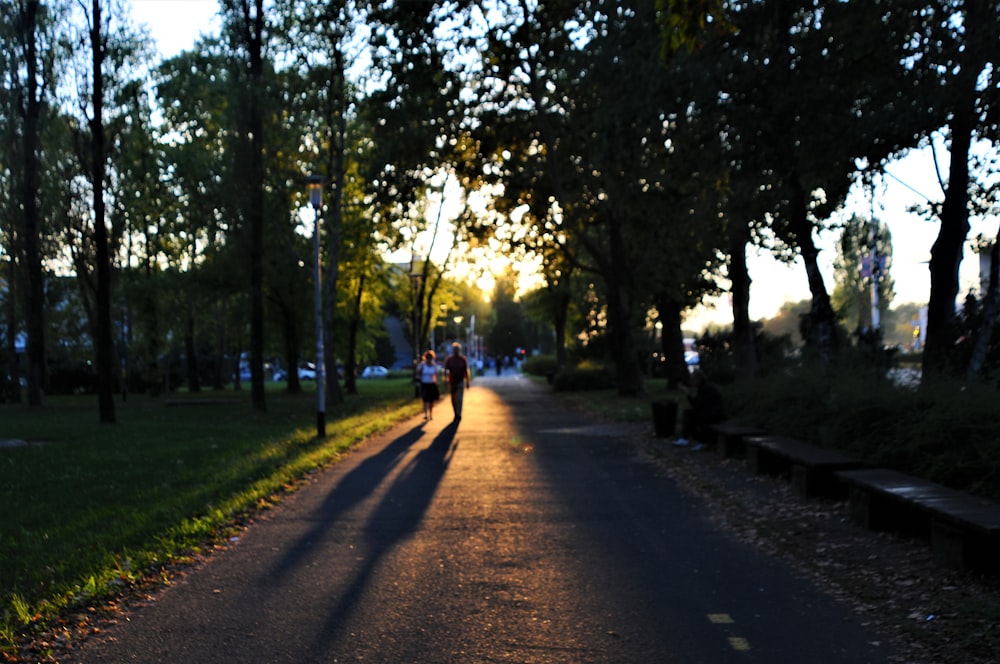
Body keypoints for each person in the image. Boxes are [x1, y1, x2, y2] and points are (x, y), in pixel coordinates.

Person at [675, 369, 726, 450]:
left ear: (698, 379)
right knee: (688, 414)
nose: (691, 383)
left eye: (693, 380)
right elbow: (697, 404)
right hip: (710, 412)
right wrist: (688, 394)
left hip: (714, 414)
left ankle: (696, 441)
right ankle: (688, 439)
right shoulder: (703, 387)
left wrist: (688, 393)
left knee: (691, 415)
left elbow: (697, 405)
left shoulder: (706, 388)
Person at [443, 342, 471, 422]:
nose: (456, 351)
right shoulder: (449, 359)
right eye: (454, 349)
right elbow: (445, 370)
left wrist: (468, 382)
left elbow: (466, 371)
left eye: (457, 349)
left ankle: (458, 414)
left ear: (459, 350)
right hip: (452, 381)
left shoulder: (463, 359)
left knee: (459, 398)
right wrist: (445, 379)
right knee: (453, 399)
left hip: (460, 381)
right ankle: (455, 412)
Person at [416, 350, 440, 421]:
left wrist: (437, 382)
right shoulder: (422, 365)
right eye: (428, 357)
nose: (429, 359)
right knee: (425, 399)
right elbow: (418, 374)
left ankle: (430, 413)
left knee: (431, 401)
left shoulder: (434, 366)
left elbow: (436, 375)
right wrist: (418, 379)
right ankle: (426, 414)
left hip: (432, 384)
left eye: (430, 358)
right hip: (424, 384)